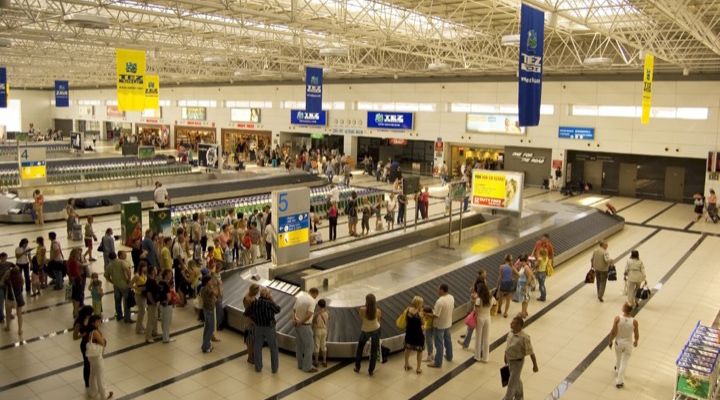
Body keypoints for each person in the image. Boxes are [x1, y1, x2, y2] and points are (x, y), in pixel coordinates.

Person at [502, 316, 539, 400]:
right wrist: (505, 356)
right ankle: (519, 396)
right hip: (509, 360)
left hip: (517, 362)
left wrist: (535, 365)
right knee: (516, 379)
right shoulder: (510, 333)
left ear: (519, 325)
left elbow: (531, 352)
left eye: (513, 323)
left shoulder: (524, 337)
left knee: (511, 382)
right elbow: (508, 346)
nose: (510, 323)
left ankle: (507, 398)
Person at [246, 287, 281, 373]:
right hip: (269, 328)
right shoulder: (270, 303)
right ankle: (274, 368)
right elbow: (278, 309)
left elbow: (247, 313)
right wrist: (272, 300)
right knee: (273, 347)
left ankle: (258, 367)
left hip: (258, 327)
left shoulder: (255, 303)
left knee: (257, 347)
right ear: (268, 295)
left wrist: (255, 320)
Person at [608, 303, 640, 388]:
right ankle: (619, 381)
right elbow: (636, 333)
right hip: (628, 344)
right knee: (624, 362)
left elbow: (613, 331)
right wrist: (636, 341)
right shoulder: (634, 321)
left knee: (618, 357)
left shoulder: (617, 318)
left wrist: (610, 340)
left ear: (624, 309)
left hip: (618, 342)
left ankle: (618, 369)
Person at [86, 315, 114, 400]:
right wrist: (104, 339)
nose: (99, 322)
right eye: (98, 321)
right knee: (100, 376)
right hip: (97, 357)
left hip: (92, 357)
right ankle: (104, 395)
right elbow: (103, 342)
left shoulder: (90, 331)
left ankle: (92, 392)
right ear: (93, 322)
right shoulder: (95, 332)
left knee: (93, 374)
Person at [354, 293, 381, 376]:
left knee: (360, 349)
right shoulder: (377, 311)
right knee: (373, 351)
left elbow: (361, 317)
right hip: (376, 329)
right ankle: (371, 370)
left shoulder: (362, 309)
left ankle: (357, 367)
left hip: (365, 330)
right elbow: (379, 320)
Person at [428, 283, 454, 368]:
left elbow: (436, 315)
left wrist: (426, 314)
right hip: (448, 323)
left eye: (438, 289)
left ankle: (438, 363)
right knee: (448, 341)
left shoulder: (440, 301)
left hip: (439, 325)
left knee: (439, 344)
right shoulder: (451, 297)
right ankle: (449, 356)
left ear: (442, 290)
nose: (437, 291)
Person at [294, 287, 319, 373]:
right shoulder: (312, 301)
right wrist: (301, 322)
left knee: (299, 345)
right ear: (315, 294)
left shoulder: (300, 297)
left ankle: (300, 365)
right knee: (310, 346)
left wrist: (294, 320)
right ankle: (307, 367)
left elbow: (293, 310)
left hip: (296, 324)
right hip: (304, 325)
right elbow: (309, 315)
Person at [104, 251, 133, 323]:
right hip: (124, 284)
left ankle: (119, 316)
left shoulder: (109, 266)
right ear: (116, 256)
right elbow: (128, 270)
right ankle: (127, 318)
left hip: (116, 286)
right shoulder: (121, 262)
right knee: (126, 302)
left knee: (117, 301)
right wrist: (129, 279)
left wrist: (112, 281)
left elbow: (106, 276)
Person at [73, 305, 94, 392]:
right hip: (84, 344)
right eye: (90, 313)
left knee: (92, 363)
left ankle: (92, 380)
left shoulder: (90, 319)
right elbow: (74, 337)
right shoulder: (79, 323)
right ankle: (87, 382)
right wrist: (83, 334)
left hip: (92, 343)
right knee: (87, 364)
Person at [473, 279, 496, 362]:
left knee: (478, 338)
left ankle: (477, 356)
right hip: (488, 317)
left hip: (480, 318)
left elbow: (476, 310)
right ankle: (486, 357)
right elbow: (494, 305)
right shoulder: (491, 298)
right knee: (486, 338)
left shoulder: (479, 300)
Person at [403, 296, 425, 374]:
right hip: (418, 334)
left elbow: (406, 320)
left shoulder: (408, 310)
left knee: (408, 348)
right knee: (419, 350)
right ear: (419, 304)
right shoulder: (420, 314)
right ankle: (418, 368)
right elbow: (423, 324)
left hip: (409, 332)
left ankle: (406, 364)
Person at [3, 263, 25, 336]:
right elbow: (21, 289)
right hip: (19, 299)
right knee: (19, 315)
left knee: (8, 313)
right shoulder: (20, 280)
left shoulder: (8, 281)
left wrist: (6, 275)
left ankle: (8, 326)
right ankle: (20, 330)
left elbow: (2, 283)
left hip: (10, 299)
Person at [67, 248, 88, 319]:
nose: (79, 255)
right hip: (77, 280)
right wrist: (80, 278)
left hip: (72, 280)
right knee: (77, 297)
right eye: (78, 254)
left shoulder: (69, 261)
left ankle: (74, 310)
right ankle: (76, 312)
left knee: (73, 296)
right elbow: (76, 272)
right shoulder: (74, 262)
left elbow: (69, 272)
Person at [200, 275, 219, 353]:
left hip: (205, 309)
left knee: (207, 328)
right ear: (208, 281)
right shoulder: (208, 289)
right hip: (209, 310)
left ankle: (205, 344)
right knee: (210, 329)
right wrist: (216, 285)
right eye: (211, 280)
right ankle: (206, 346)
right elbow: (216, 294)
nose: (212, 281)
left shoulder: (202, 288)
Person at [243, 284, 260, 364]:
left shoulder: (252, 296)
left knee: (253, 340)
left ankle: (252, 355)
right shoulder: (247, 299)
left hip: (253, 320)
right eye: (256, 292)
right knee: (250, 341)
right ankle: (250, 357)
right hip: (249, 321)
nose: (257, 293)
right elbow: (249, 312)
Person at [131, 262, 149, 334]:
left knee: (143, 311)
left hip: (144, 295)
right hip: (138, 295)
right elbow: (130, 284)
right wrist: (137, 288)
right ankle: (138, 328)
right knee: (141, 311)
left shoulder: (144, 274)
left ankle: (141, 325)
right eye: (144, 267)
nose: (146, 268)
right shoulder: (137, 276)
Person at [144, 267, 160, 343]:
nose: (156, 271)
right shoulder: (150, 281)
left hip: (155, 302)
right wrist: (153, 302)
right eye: (155, 269)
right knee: (150, 319)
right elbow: (149, 293)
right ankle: (148, 336)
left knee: (155, 318)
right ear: (153, 271)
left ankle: (154, 331)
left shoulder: (153, 280)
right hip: (152, 303)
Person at [158, 269, 175, 343]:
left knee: (163, 321)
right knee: (167, 322)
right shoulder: (166, 284)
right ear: (166, 275)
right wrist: (169, 301)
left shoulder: (160, 282)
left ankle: (164, 336)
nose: (171, 276)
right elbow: (168, 297)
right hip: (167, 305)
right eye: (170, 274)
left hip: (161, 304)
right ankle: (166, 338)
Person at [313, 299, 329, 368]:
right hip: (324, 330)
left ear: (318, 305)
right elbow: (328, 320)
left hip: (317, 330)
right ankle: (324, 361)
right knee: (323, 345)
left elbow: (313, 322)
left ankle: (316, 362)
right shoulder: (327, 313)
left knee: (317, 345)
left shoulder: (316, 314)